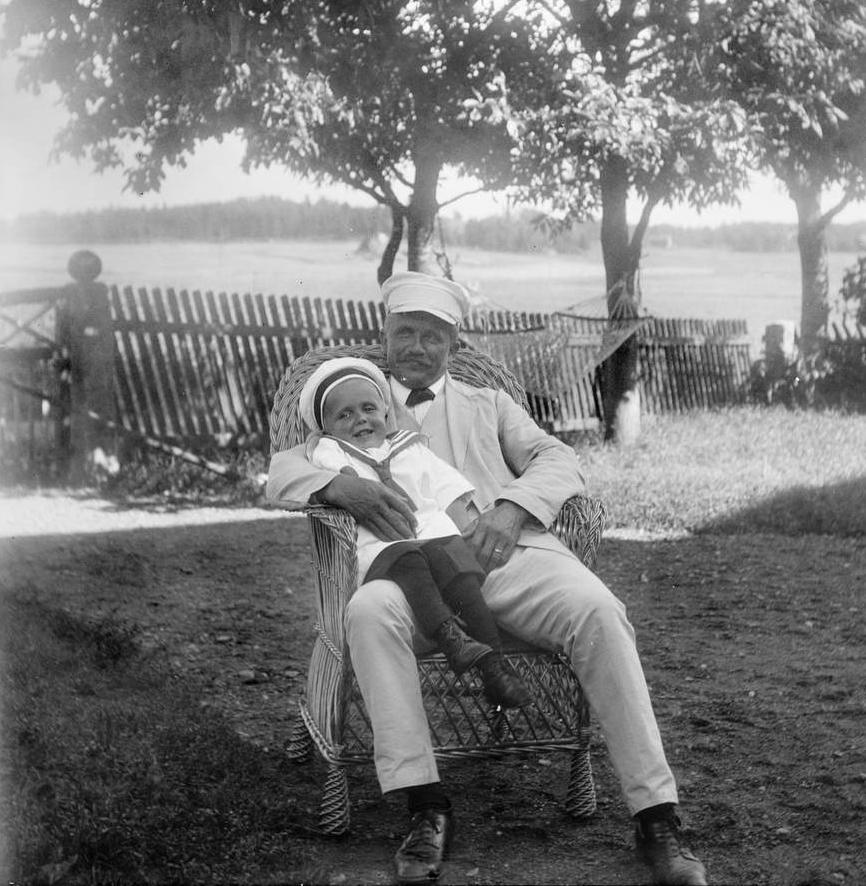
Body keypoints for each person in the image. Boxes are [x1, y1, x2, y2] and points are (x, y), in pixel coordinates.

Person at [268, 271, 708, 886]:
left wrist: (512, 508)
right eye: (405, 333)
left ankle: (657, 818)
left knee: (598, 609)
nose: (417, 347)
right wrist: (339, 485)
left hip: (506, 555)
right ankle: (426, 807)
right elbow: (283, 468)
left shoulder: (489, 404)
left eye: (433, 337)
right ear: (385, 337)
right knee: (368, 614)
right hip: (409, 568)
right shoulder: (356, 405)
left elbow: (560, 458)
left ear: (454, 346)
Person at [297, 356, 532, 709]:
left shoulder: (409, 446)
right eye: (344, 415)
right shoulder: (330, 449)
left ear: (386, 414)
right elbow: (330, 474)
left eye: (368, 408)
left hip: (430, 534)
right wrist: (346, 478)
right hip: (382, 544)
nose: (360, 419)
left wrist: (466, 526)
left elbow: (445, 485)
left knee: (461, 574)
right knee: (409, 560)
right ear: (326, 428)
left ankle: (495, 668)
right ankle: (450, 637)